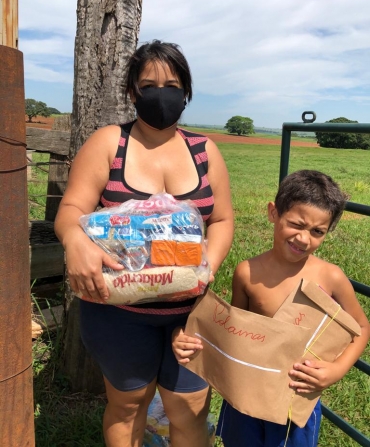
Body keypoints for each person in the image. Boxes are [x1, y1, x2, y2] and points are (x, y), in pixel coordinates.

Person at [54, 40, 234, 447]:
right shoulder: (108, 143)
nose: (161, 94)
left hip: (190, 312)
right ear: (132, 91)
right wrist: (73, 240)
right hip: (118, 311)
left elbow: (222, 219)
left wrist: (209, 267)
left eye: (172, 85)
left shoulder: (205, 151)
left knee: (189, 408)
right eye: (148, 84)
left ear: (186, 93)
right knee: (129, 405)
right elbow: (70, 210)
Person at [172, 170, 370, 447]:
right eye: (296, 224)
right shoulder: (247, 273)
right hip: (245, 393)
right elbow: (235, 333)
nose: (304, 238)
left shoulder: (331, 277)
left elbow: (361, 327)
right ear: (273, 213)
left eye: (317, 232)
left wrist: (336, 370)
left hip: (295, 397)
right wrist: (187, 337)